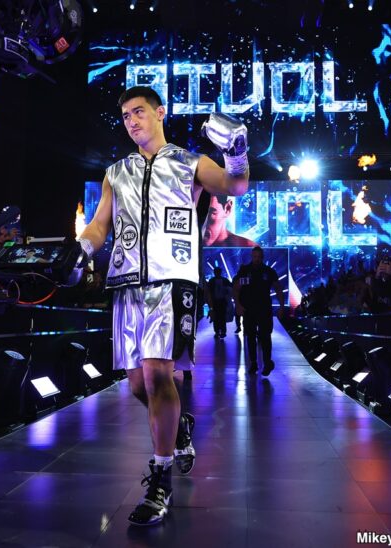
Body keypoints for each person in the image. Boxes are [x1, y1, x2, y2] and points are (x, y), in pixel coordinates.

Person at [76, 85, 249, 526]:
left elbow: (236, 185)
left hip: (173, 281)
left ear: (160, 113)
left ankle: (160, 479)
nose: (131, 121)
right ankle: (181, 427)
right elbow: (99, 225)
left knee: (158, 374)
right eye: (125, 116)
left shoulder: (190, 162)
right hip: (125, 283)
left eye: (138, 112)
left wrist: (237, 152)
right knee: (138, 385)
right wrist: (80, 249)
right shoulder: (115, 172)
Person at [233, 246, 284, 376]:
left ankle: (267, 363)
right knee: (250, 337)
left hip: (264, 309)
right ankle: (253, 363)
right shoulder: (244, 270)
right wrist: (238, 305)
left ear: (262, 257)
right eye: (255, 256)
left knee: (265, 336)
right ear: (252, 256)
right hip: (248, 309)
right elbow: (236, 288)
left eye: (259, 257)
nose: (257, 259)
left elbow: (278, 289)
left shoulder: (269, 271)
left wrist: (282, 306)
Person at [205, 267, 233, 338]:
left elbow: (208, 291)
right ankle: (222, 332)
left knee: (217, 317)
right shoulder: (224, 280)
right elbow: (230, 289)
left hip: (218, 301)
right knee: (221, 317)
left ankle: (217, 332)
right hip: (220, 301)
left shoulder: (212, 281)